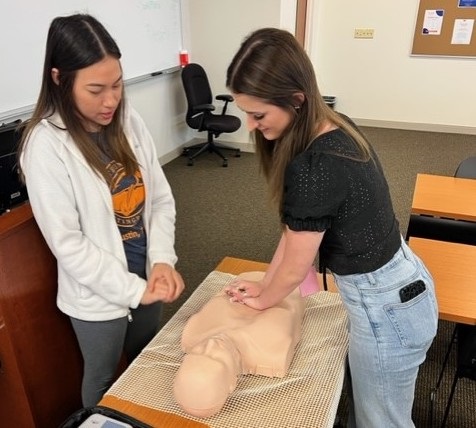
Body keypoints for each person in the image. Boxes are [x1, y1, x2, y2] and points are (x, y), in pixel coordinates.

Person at [224, 28, 438, 428]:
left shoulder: (314, 167)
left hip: (388, 308)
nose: (250, 126)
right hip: (400, 287)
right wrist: (265, 283)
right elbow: (294, 233)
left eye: (258, 115)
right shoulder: (335, 124)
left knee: (382, 422)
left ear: (296, 101)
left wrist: (265, 298)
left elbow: (296, 265)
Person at [18, 14, 185, 407]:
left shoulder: (128, 120)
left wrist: (161, 259)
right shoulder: (45, 146)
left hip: (147, 275)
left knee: (149, 363)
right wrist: (132, 290)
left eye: (117, 84)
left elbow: (159, 199)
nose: (111, 100)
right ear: (59, 79)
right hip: (98, 296)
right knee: (103, 380)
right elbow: (69, 244)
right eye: (96, 89)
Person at [173, 271, 306, 418]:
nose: (211, 344)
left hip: (255, 277)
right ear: (232, 384)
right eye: (216, 358)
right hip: (291, 277)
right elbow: (293, 279)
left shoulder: (192, 333)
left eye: (198, 352)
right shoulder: (275, 349)